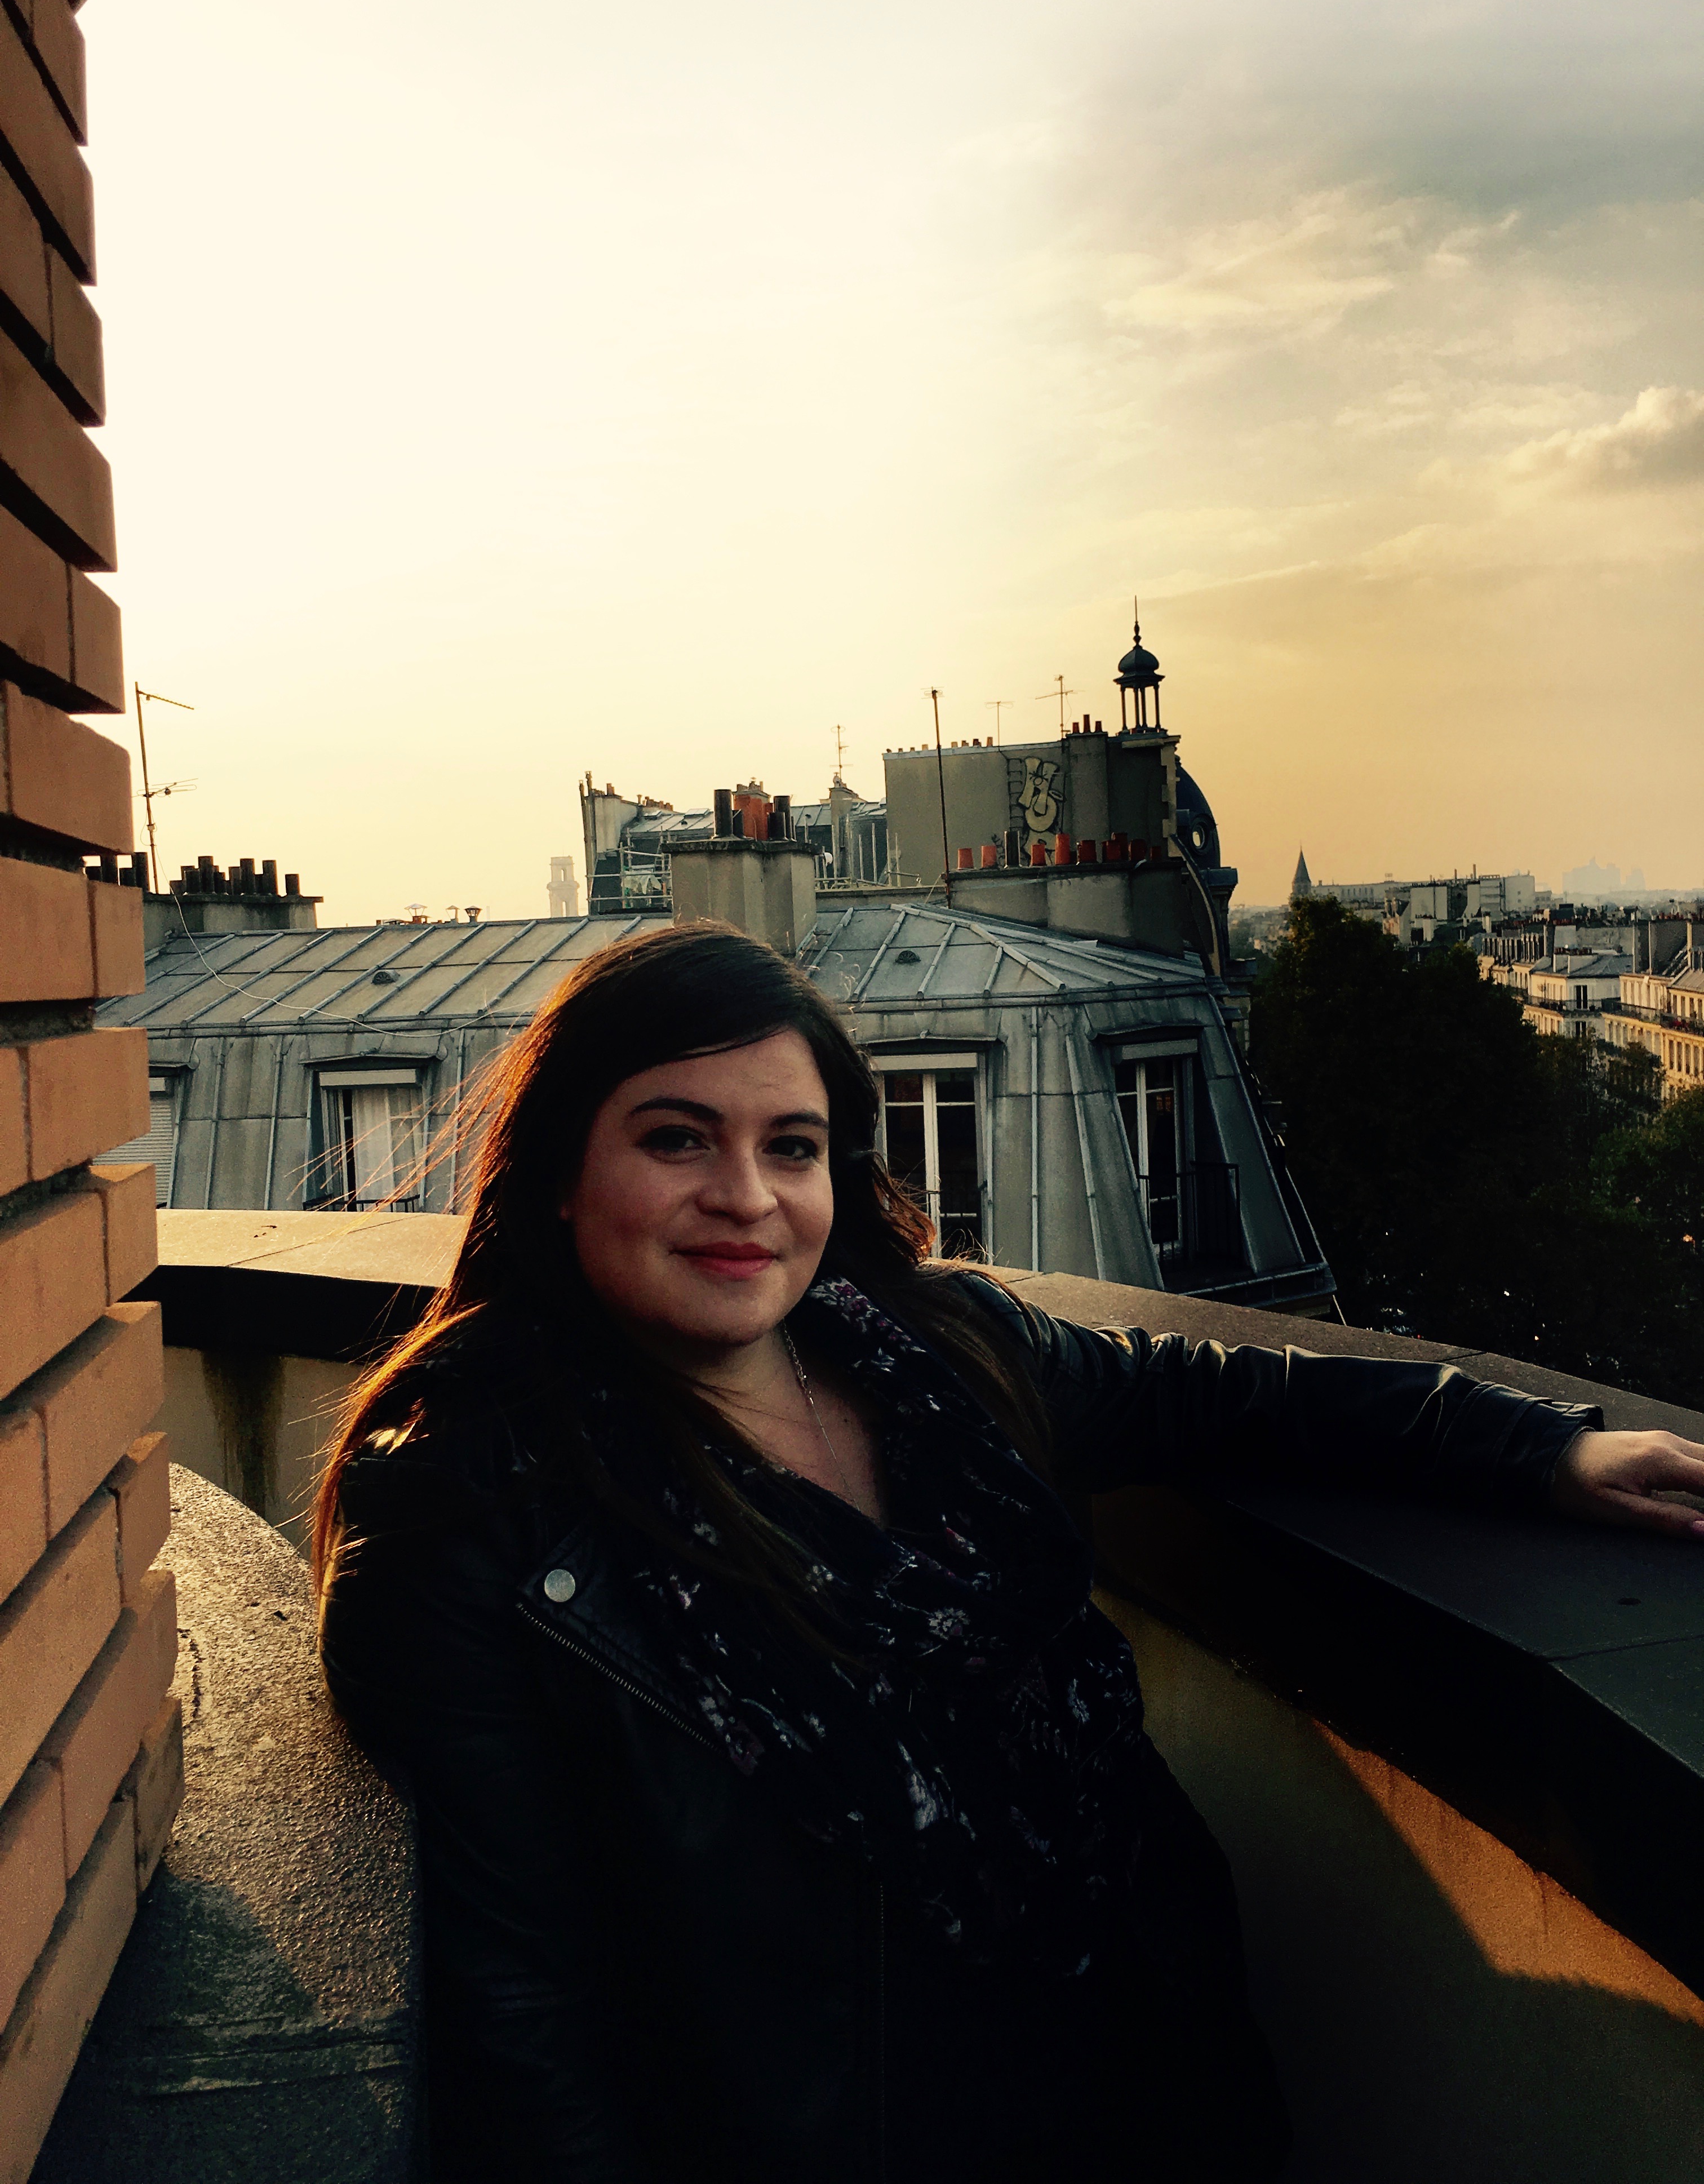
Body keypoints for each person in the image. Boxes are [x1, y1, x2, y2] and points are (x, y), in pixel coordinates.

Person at [314, 921, 1704, 2184]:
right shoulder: (465, 1509)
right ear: (561, 1173)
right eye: (677, 1139)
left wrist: (1540, 1450)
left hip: (1143, 2082)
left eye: (792, 1147)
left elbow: (1213, 1393)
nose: (747, 1195)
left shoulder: (934, 1353)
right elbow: (525, 2018)